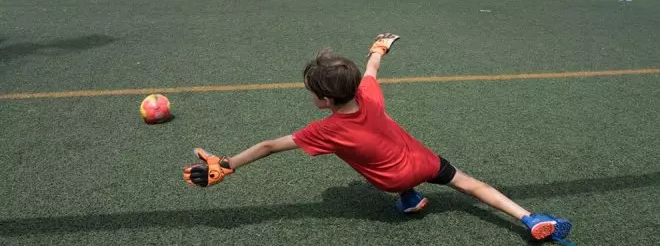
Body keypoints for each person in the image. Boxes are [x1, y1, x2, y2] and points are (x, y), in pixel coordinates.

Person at [183, 33, 574, 244]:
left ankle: (407, 197)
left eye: (313, 92)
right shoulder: (367, 93)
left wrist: (226, 164)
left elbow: (269, 146)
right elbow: (372, 67)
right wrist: (379, 47)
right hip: (422, 162)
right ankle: (530, 217)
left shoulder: (324, 130)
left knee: (373, 168)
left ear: (325, 100)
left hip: (388, 179)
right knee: (472, 184)